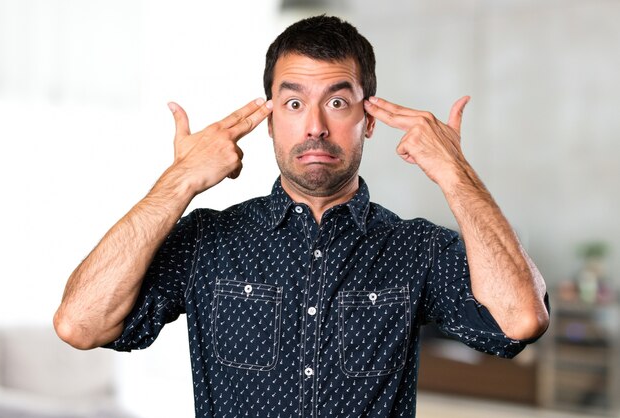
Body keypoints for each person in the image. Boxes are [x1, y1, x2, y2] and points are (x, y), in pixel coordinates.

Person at [54, 15, 549, 417]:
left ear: (369, 121)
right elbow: (80, 323)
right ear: (269, 121)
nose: (315, 126)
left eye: (337, 101)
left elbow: (520, 320)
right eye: (293, 103)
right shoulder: (208, 240)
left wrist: (454, 173)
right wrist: (179, 181)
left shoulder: (415, 248)